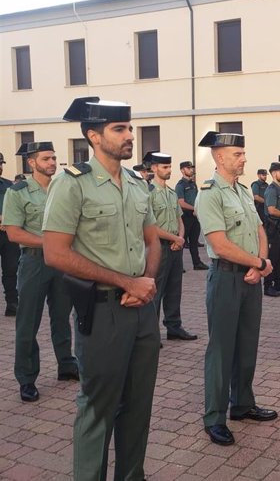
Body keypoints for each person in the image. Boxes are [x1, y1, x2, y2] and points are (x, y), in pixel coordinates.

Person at [42, 97, 161, 481]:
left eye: (129, 128)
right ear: (94, 136)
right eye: (119, 129)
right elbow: (55, 253)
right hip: (103, 310)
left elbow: (153, 240)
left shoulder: (137, 183)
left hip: (141, 309)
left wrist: (147, 283)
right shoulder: (70, 183)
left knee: (139, 405)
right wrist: (127, 282)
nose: (130, 136)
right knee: (98, 408)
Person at [195, 131, 278, 447]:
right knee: (221, 350)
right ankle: (214, 418)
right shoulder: (209, 194)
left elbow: (259, 229)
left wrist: (262, 261)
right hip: (226, 279)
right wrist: (257, 263)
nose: (243, 158)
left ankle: (242, 404)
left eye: (243, 153)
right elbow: (219, 244)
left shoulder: (242, 192)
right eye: (237, 154)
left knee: (247, 344)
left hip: (250, 279)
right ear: (219, 157)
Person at [4, 141, 78, 403]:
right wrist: (51, 243)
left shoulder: (64, 188)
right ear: (31, 163)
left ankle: (66, 365)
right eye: (46, 159)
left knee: (62, 315)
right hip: (35, 263)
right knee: (28, 321)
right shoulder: (18, 192)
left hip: (62, 263)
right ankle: (26, 378)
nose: (52, 163)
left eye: (54, 158)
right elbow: (13, 232)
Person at [148, 152, 197, 341]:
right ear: (154, 169)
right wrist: (175, 238)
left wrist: (181, 237)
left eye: (169, 167)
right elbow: (150, 226)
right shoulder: (148, 193)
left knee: (174, 289)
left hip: (175, 246)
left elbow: (179, 219)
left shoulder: (171, 193)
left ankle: (174, 326)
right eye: (164, 167)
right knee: (156, 291)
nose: (168, 170)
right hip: (158, 247)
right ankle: (152, 333)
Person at [263, 162, 280, 297]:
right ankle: (268, 285)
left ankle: (278, 281)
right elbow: (271, 210)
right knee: (272, 257)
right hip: (272, 229)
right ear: (273, 174)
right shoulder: (271, 190)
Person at [176, 160, 208, 270]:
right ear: (182, 170)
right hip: (186, 216)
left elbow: (197, 199)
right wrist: (195, 208)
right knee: (182, 241)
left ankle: (197, 263)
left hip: (194, 216)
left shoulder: (193, 184)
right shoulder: (180, 185)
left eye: (191, 168)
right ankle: (178, 266)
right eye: (188, 168)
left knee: (194, 242)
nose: (191, 170)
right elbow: (181, 202)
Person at [0, 152, 20, 317]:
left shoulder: (8, 185)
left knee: (11, 270)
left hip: (8, 235)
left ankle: (12, 303)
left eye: (0, 164)